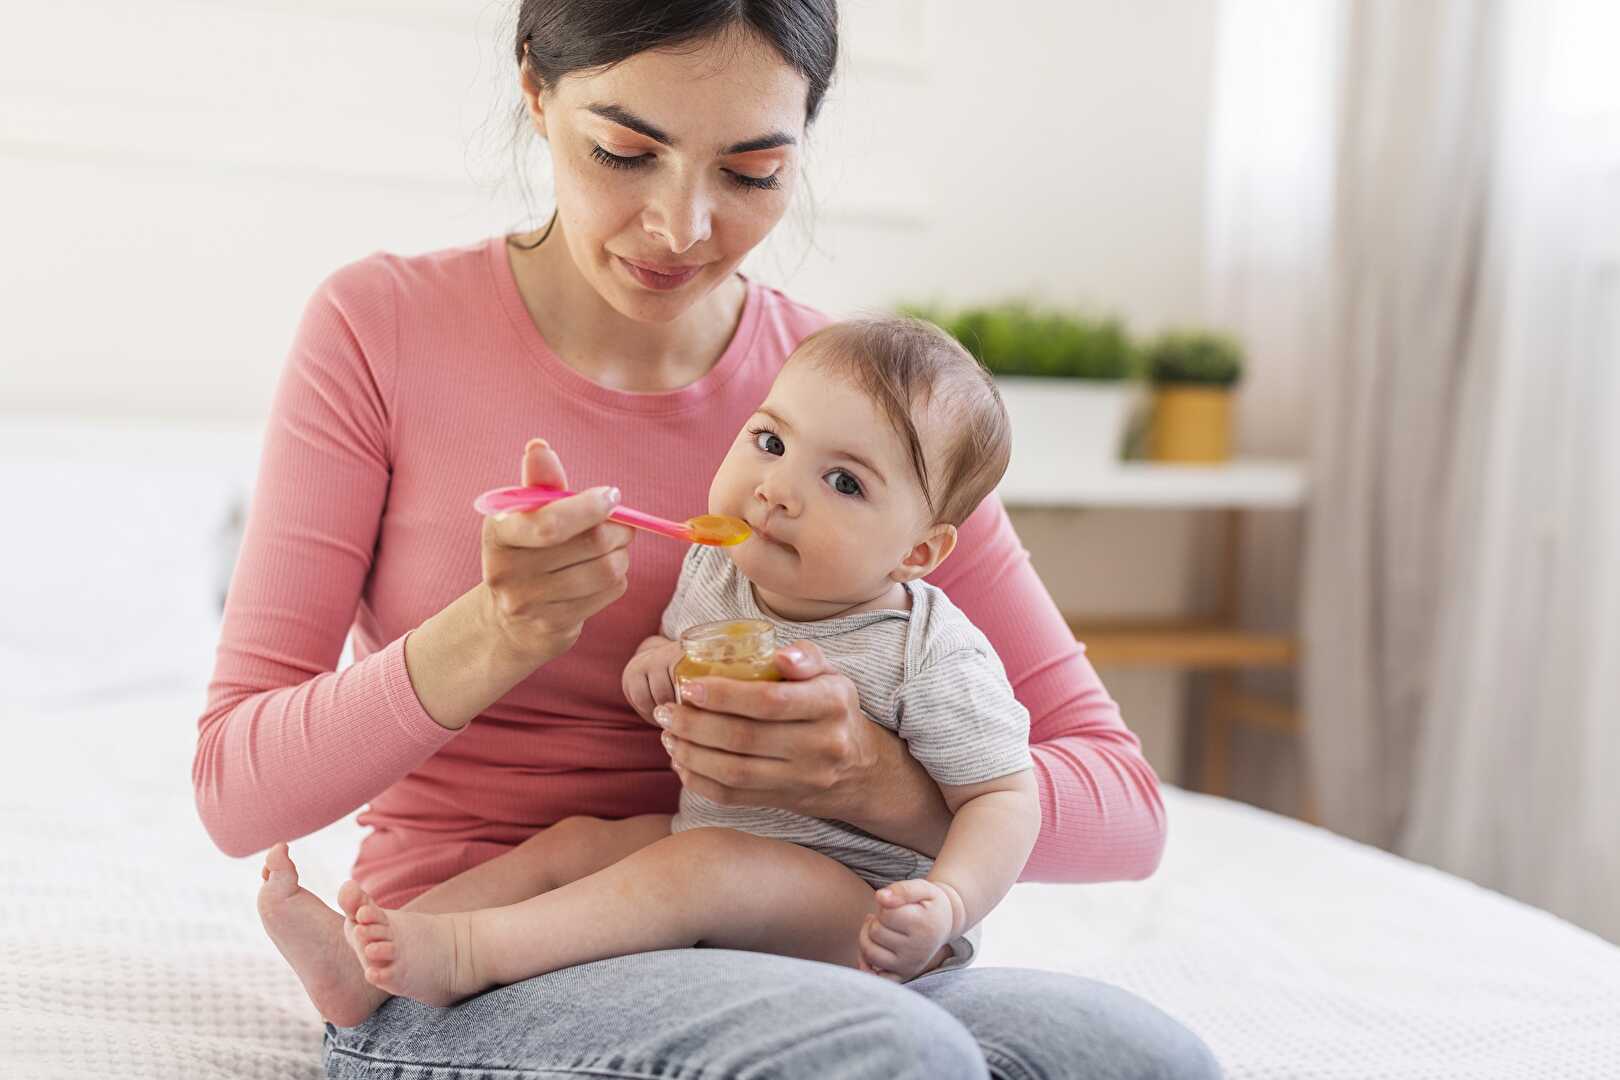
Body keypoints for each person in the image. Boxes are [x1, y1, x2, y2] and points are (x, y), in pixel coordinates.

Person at [196, 2, 1221, 1076]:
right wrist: (497, 634)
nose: (680, 226)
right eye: (624, 153)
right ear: (537, 88)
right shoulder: (381, 327)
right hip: (468, 961)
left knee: (1143, 1057)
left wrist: (868, 784)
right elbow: (236, 794)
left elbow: (1124, 805)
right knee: (894, 1053)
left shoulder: (851, 406)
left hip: (802, 938)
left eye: (751, 172)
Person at [262, 316, 1040, 1017]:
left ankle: (466, 954)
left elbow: (1006, 797)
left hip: (863, 917)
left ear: (918, 553)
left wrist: (946, 903)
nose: (775, 490)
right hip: (711, 853)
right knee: (575, 844)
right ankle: (370, 962)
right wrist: (657, 662)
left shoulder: (927, 650)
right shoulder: (719, 571)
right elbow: (669, 645)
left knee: (701, 865)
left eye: (843, 482)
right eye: (770, 442)